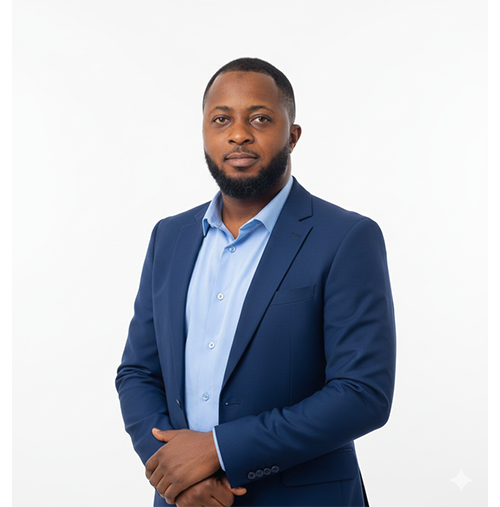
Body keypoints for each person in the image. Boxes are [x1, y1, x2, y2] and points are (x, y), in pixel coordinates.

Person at [116, 57, 396, 507]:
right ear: (204, 132)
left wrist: (218, 450)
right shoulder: (169, 236)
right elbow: (138, 372)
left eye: (260, 119)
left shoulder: (345, 237)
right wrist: (176, 472)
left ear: (293, 135)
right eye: (221, 119)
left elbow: (362, 394)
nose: (239, 134)